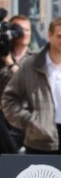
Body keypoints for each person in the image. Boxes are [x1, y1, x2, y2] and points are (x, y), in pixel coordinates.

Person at [2, 16, 61, 154]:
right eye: (60, 36)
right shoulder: (31, 65)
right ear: (50, 35)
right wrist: (29, 121)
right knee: (41, 176)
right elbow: (9, 99)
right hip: (39, 139)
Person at [0, 14, 34, 152]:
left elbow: (29, 84)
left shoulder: (35, 60)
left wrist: (9, 61)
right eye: (19, 29)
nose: (24, 34)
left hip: (24, 120)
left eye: (27, 30)